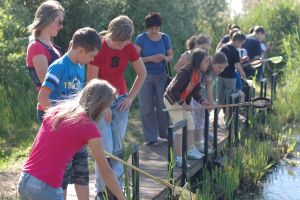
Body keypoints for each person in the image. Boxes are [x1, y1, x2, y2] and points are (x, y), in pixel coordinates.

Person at [18, 79, 126, 200]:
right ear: (100, 106)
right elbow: (106, 172)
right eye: (107, 106)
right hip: (45, 187)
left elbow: (32, 150)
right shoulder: (89, 128)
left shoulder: (57, 111)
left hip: (25, 179)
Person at [87, 15, 146, 199]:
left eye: (127, 41)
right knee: (105, 148)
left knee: (118, 149)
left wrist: (130, 97)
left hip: (120, 101)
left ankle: (117, 189)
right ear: (112, 33)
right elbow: (91, 81)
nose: (124, 45)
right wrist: (102, 105)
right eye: (120, 41)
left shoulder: (129, 47)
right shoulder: (99, 47)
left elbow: (142, 73)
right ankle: (101, 191)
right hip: (99, 101)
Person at [38, 27, 101, 200]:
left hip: (74, 126)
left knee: (81, 169)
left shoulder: (80, 68)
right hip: (58, 127)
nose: (93, 59)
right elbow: (42, 98)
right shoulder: (59, 67)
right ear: (81, 50)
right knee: (63, 174)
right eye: (91, 55)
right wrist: (60, 121)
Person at [164, 49, 210, 167]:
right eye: (206, 61)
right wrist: (183, 104)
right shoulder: (186, 71)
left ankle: (190, 151)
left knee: (190, 125)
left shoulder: (198, 74)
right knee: (179, 129)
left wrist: (203, 101)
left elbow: (195, 92)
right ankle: (178, 159)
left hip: (182, 101)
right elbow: (173, 90)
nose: (208, 63)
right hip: (172, 100)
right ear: (199, 61)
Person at [135, 12, 173, 144]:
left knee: (163, 105)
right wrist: (150, 58)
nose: (155, 30)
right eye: (152, 28)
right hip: (144, 76)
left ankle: (164, 133)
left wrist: (164, 58)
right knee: (146, 107)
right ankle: (150, 138)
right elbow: (134, 58)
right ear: (147, 27)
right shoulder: (141, 38)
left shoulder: (165, 38)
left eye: (157, 27)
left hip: (162, 76)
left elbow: (170, 56)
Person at [26, 0, 64, 122]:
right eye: (59, 22)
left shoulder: (51, 46)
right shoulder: (36, 46)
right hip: (49, 108)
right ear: (47, 19)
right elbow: (47, 82)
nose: (61, 26)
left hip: (60, 106)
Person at [191, 52, 228, 152]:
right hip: (196, 98)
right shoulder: (206, 70)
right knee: (198, 121)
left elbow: (210, 87)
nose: (221, 70)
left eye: (223, 68)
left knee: (201, 120)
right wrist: (210, 103)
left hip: (202, 99)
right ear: (213, 62)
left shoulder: (214, 73)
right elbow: (207, 88)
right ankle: (197, 144)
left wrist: (210, 103)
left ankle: (200, 141)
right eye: (219, 67)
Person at [218, 30, 247, 118]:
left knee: (220, 99)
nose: (241, 45)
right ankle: (228, 119)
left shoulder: (223, 48)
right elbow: (237, 65)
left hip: (220, 76)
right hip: (230, 78)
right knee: (230, 99)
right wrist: (243, 74)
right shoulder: (235, 51)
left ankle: (215, 119)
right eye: (241, 43)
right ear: (237, 41)